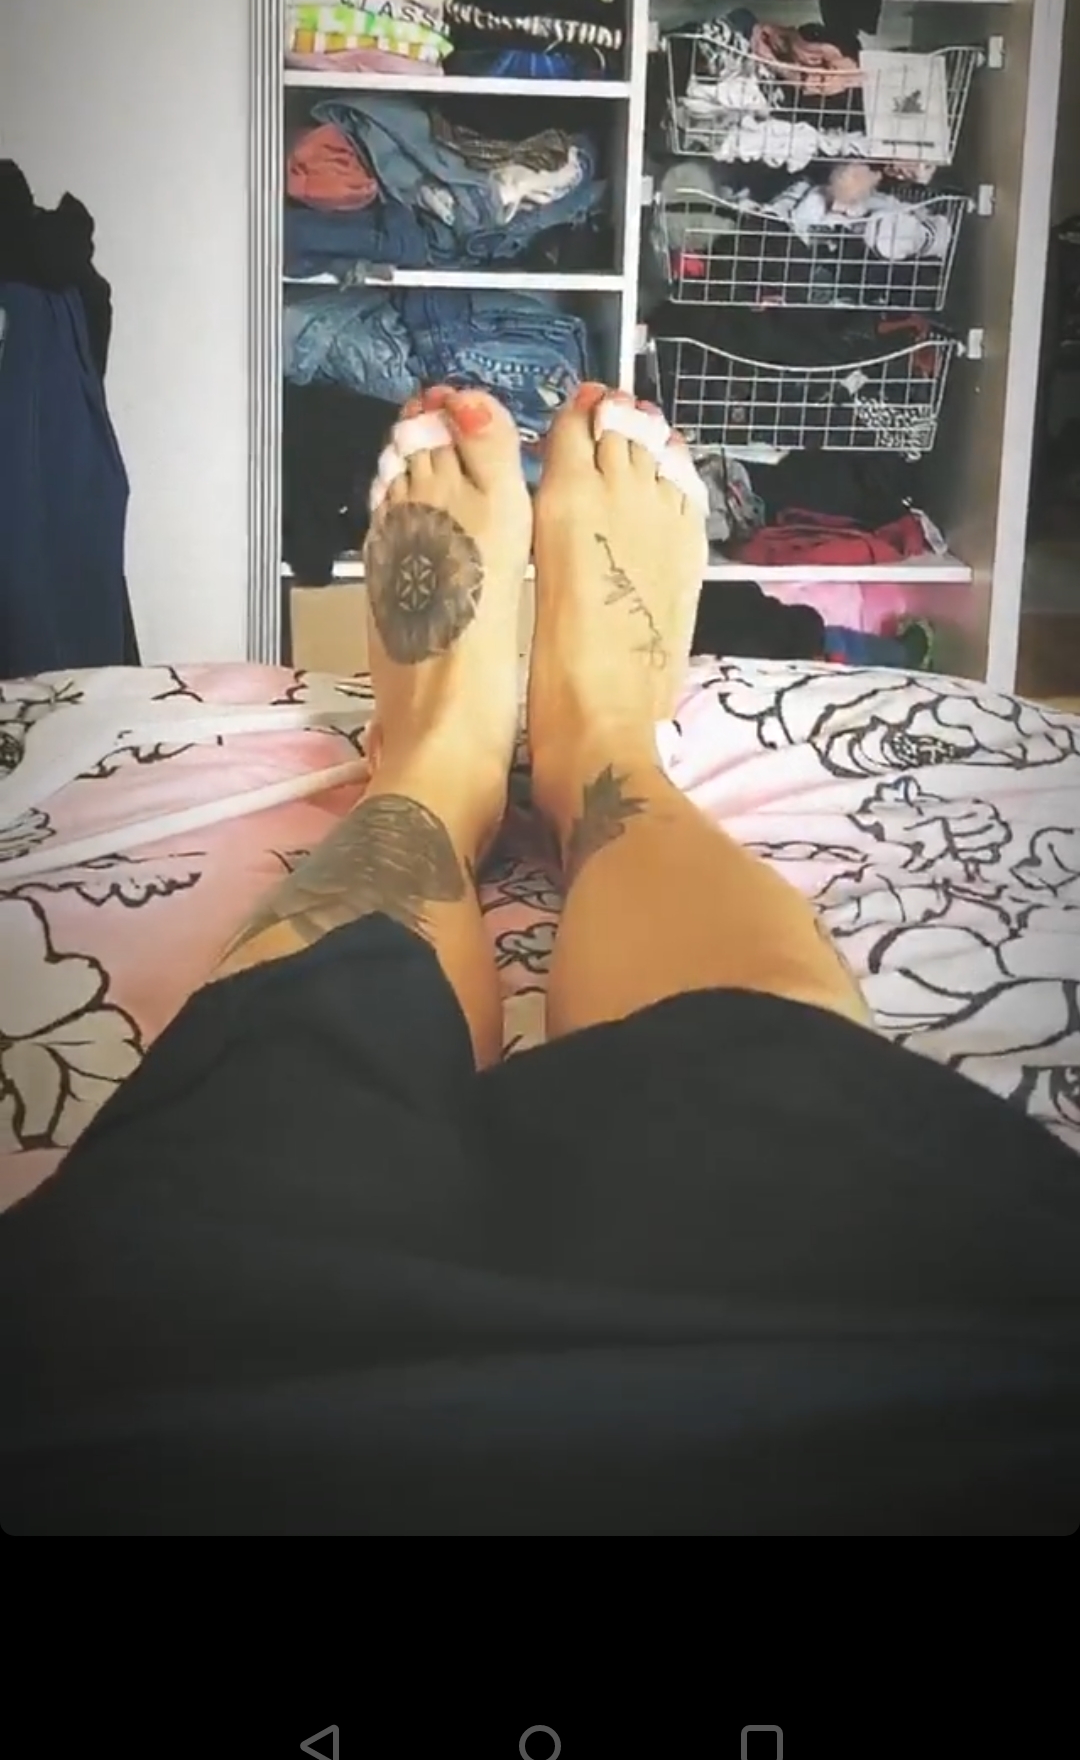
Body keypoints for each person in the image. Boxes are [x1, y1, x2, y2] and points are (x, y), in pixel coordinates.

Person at [1, 383, 1079, 1536]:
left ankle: (440, 764)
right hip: (931, 1372)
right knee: (766, 1075)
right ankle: (594, 748)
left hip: (148, 1382)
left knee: (285, 1069)